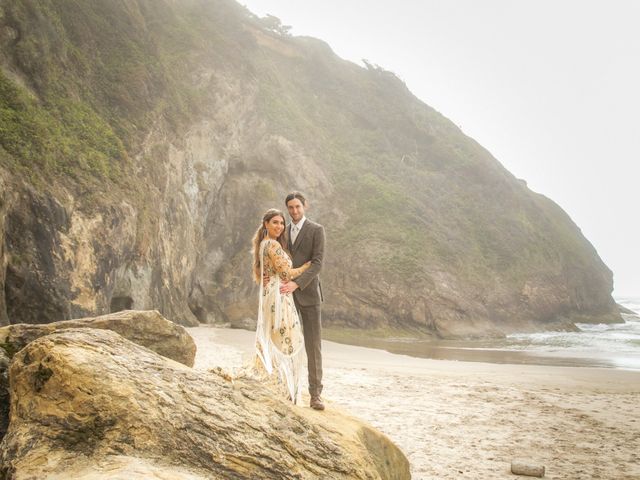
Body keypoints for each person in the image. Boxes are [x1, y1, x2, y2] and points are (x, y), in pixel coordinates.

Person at [252, 209, 310, 404]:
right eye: (275, 222)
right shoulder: (273, 245)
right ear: (266, 224)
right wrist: (306, 267)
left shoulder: (263, 244)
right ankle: (284, 388)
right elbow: (286, 274)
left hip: (272, 293)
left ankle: (279, 383)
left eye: (281, 223)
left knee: (274, 337)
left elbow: (268, 271)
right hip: (279, 295)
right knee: (286, 338)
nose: (279, 226)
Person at [280, 192, 326, 411]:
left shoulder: (316, 230)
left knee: (312, 346)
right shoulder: (283, 231)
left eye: (298, 206)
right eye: (291, 207)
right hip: (286, 296)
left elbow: (317, 264)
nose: (294, 211)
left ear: (305, 206)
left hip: (308, 296)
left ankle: (315, 394)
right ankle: (291, 388)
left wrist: (297, 284)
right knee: (288, 343)